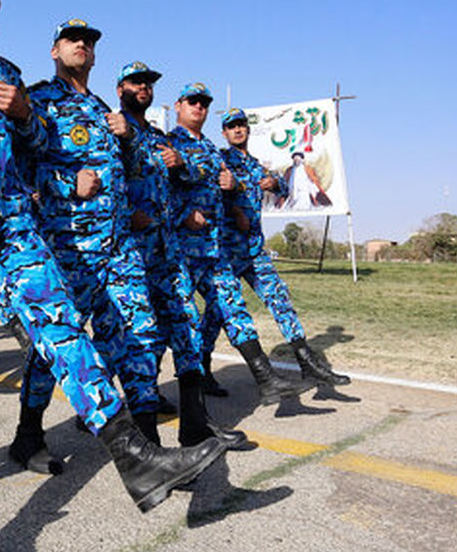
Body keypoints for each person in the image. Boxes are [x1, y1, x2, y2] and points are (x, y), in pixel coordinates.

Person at [0, 0, 224, 519]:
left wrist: (25, 115)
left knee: (66, 329)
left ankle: (137, 459)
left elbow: (33, 149)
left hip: (18, 229)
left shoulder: (12, 76)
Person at [23, 22, 166, 444]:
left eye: (89, 41)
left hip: (120, 249)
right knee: (58, 342)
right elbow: (20, 170)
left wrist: (127, 140)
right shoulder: (38, 103)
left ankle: (150, 444)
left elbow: (135, 171)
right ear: (55, 51)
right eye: (73, 39)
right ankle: (28, 433)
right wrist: (68, 184)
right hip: (73, 249)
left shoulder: (107, 111)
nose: (82, 44)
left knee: (140, 333)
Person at [117, 63, 249, 448]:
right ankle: (143, 442)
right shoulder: (111, 129)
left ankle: (195, 428)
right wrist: (127, 215)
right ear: (120, 87)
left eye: (149, 83)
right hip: (127, 255)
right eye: (136, 81)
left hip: (165, 253)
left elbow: (170, 190)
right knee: (134, 341)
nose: (143, 87)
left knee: (187, 329)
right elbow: (96, 184)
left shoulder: (158, 139)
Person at [165, 83, 315, 406]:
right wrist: (183, 214)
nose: (199, 106)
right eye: (193, 101)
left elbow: (226, 187)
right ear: (178, 105)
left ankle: (266, 380)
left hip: (214, 249)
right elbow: (153, 189)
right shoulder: (167, 144)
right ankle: (140, 398)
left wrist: (234, 193)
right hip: (182, 252)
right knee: (172, 326)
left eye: (204, 102)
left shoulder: (205, 146)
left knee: (233, 306)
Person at [204, 109, 350, 386]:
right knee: (216, 313)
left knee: (280, 299)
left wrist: (275, 182)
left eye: (241, 125)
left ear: (247, 130)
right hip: (228, 251)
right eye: (231, 126)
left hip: (254, 250)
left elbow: (283, 187)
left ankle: (306, 361)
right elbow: (210, 192)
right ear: (224, 133)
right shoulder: (221, 161)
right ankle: (202, 370)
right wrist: (234, 209)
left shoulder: (257, 165)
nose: (237, 130)